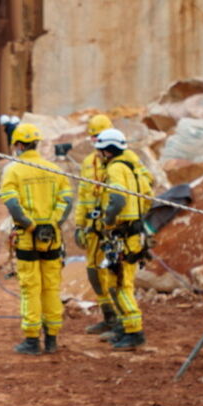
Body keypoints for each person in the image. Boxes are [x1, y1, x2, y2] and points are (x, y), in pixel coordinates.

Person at [0, 124, 73, 355]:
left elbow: (12, 204)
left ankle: (32, 340)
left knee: (30, 288)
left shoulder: (14, 170)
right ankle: (51, 339)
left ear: (18, 145)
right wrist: (52, 224)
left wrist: (30, 225)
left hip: (27, 239)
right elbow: (67, 201)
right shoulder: (54, 169)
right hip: (52, 239)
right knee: (51, 287)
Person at [94, 128, 148, 349]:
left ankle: (135, 332)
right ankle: (125, 328)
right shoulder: (129, 167)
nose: (98, 155)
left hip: (124, 236)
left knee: (122, 285)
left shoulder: (116, 168)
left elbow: (117, 199)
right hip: (129, 234)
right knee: (117, 282)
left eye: (100, 150)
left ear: (108, 151)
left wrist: (107, 220)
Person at [74, 114, 118, 334]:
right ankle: (108, 316)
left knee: (113, 274)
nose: (96, 142)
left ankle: (122, 321)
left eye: (99, 137)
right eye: (93, 138)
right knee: (94, 272)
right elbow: (83, 195)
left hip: (113, 228)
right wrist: (79, 225)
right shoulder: (88, 163)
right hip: (93, 229)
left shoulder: (121, 162)